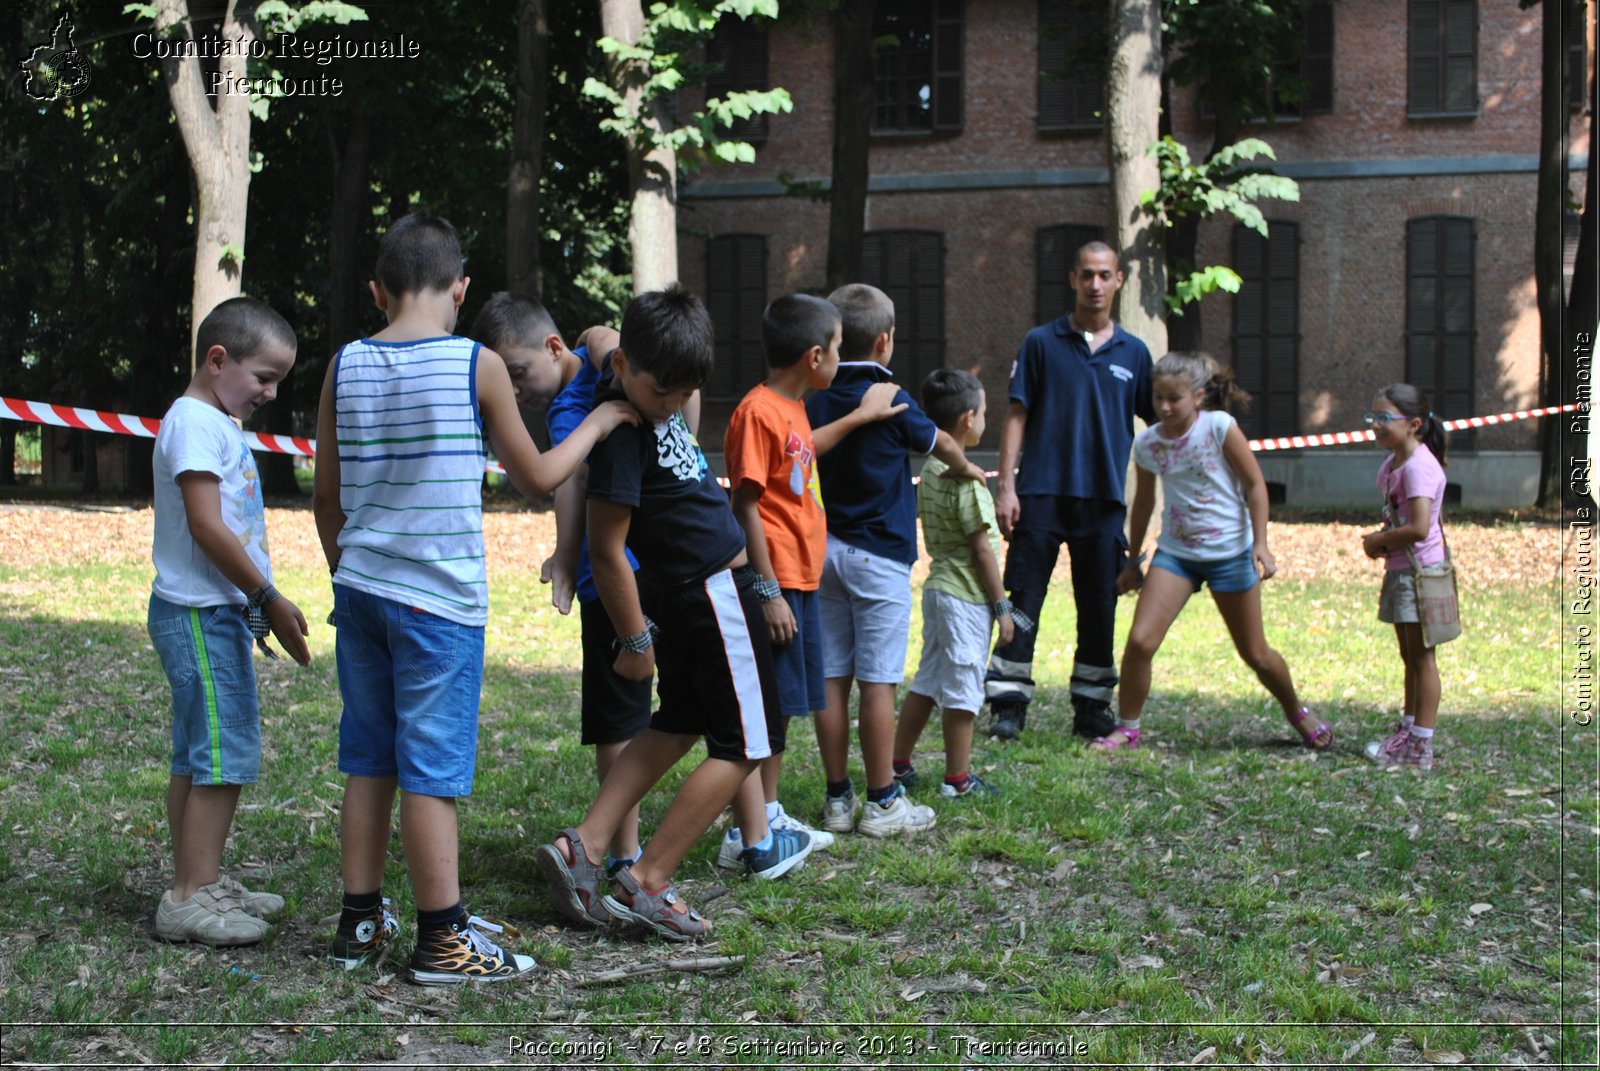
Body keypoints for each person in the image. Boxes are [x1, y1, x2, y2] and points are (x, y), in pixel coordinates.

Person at [313, 214, 635, 984]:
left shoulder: (343, 364)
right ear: (460, 286)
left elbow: (328, 494)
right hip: (438, 603)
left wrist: (346, 569)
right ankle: (443, 938)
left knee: (369, 757)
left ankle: (359, 922)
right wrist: (599, 418)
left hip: (358, 590)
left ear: (377, 290)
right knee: (431, 768)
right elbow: (539, 476)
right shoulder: (476, 364)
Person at [534, 286, 790, 941]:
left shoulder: (645, 391)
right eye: (662, 394)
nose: (672, 406)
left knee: (677, 723)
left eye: (683, 394)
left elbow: (601, 337)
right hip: (710, 596)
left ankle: (585, 846)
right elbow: (607, 547)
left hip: (699, 594)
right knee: (745, 743)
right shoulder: (621, 429)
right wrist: (635, 636)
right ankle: (648, 880)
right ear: (623, 367)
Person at [716, 293, 906, 871]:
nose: (843, 360)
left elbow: (800, 457)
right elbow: (746, 503)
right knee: (768, 707)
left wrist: (857, 419)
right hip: (776, 583)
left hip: (803, 576)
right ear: (816, 355)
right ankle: (749, 827)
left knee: (787, 705)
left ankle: (766, 815)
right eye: (839, 350)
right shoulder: (758, 411)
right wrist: (769, 591)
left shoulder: (794, 406)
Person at [148, 296, 311, 946]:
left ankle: (201, 876)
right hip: (198, 615)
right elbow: (207, 525)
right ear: (218, 360)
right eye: (263, 377)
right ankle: (188, 896)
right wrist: (266, 594)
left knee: (200, 753)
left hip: (211, 612)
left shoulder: (210, 420)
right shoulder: (194, 422)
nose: (269, 393)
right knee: (221, 755)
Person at [469, 295, 651, 875]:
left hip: (659, 569)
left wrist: (606, 341)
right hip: (611, 583)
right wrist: (566, 557)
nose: (516, 390)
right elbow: (569, 483)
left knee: (708, 701)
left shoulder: (603, 363)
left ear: (553, 347)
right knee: (619, 721)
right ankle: (625, 854)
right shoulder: (561, 416)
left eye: (518, 373)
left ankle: (757, 827)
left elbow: (608, 340)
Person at [806, 283, 985, 839]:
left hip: (824, 552)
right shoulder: (894, 398)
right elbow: (947, 447)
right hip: (879, 557)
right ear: (884, 341)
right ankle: (884, 801)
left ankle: (839, 797)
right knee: (878, 681)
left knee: (833, 678)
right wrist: (968, 470)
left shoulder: (816, 395)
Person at [1092, 352, 1330, 753]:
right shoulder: (1147, 443)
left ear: (1198, 396)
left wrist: (1261, 543)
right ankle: (1128, 727)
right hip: (1176, 554)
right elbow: (1146, 503)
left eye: (1175, 398)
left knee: (1255, 653)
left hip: (1229, 553)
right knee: (1140, 641)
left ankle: (1296, 710)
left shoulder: (1219, 427)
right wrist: (1133, 560)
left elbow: (1255, 485)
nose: (1165, 407)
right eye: (1158, 398)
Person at [984, 240, 1157, 742]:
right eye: (1087, 275)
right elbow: (1017, 415)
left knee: (1099, 608)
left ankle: (1091, 707)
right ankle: (1008, 704)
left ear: (1119, 280)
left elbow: (1156, 423)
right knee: (1023, 604)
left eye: (1105, 275)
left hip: (1103, 502)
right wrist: (1007, 487)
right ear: (1073, 279)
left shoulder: (1135, 353)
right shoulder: (1040, 342)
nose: (1096, 285)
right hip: (1040, 494)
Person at [891, 369, 1018, 798]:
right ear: (967, 419)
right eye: (984, 411)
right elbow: (983, 550)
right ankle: (958, 780)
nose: (986, 418)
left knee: (927, 682)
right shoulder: (967, 479)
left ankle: (899, 763)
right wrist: (1002, 608)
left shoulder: (930, 467)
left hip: (938, 588)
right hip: (965, 598)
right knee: (963, 688)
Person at [1360, 383, 1451, 772]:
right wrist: (1385, 540)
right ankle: (1409, 730)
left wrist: (1379, 539)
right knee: (1408, 656)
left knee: (1422, 658)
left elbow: (1418, 528)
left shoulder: (1417, 467)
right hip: (1402, 570)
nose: (1375, 425)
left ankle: (1421, 747)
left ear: (1413, 424)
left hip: (1420, 574)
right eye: (1372, 417)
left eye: (1384, 418)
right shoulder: (1395, 463)